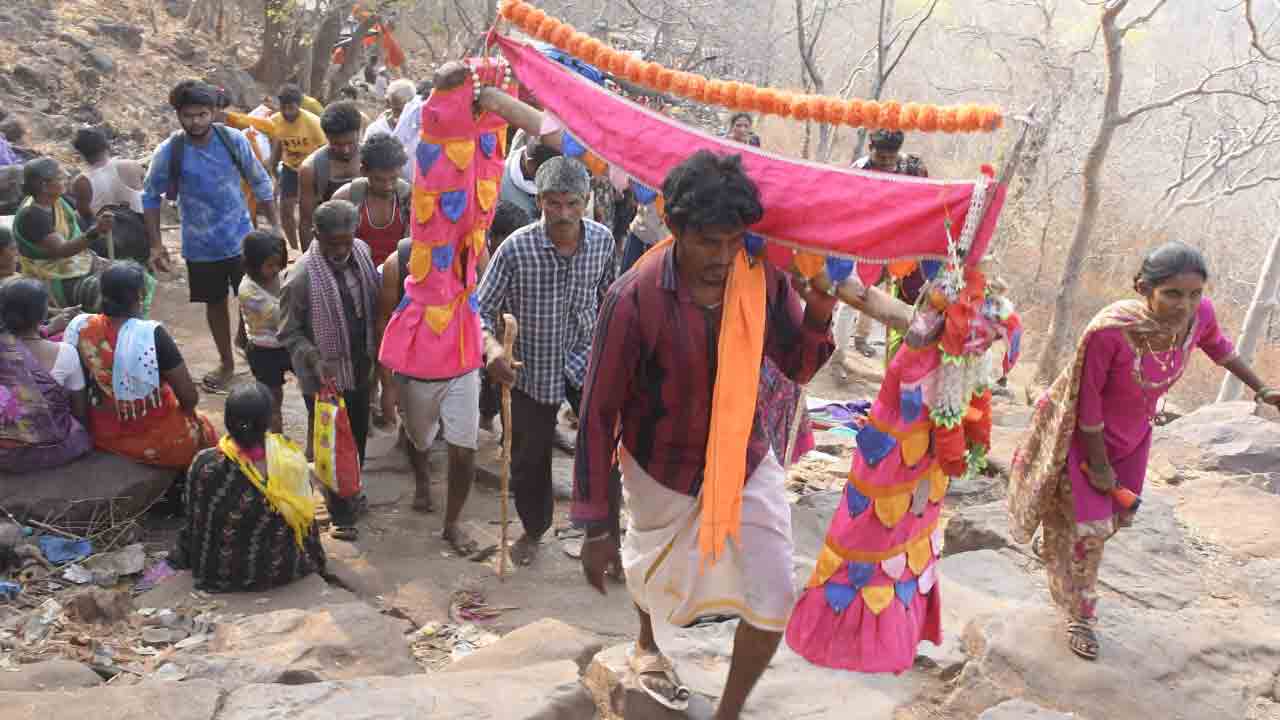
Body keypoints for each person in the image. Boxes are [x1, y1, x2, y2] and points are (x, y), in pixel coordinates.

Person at [573, 151, 837, 716]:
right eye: (708, 243)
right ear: (675, 229)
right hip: (658, 464)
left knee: (773, 594)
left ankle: (729, 711)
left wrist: (817, 313)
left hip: (746, 453)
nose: (722, 258)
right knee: (651, 573)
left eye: (733, 241)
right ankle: (646, 638)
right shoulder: (633, 298)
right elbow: (598, 414)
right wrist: (594, 523)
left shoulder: (761, 278)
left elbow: (795, 364)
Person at [1008, 241, 1280, 661]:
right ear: (1143, 288)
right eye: (1172, 294)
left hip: (1133, 438)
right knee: (1090, 532)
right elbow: (1090, 403)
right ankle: (1079, 615)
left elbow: (1219, 347)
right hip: (1084, 436)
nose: (1185, 305)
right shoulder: (1110, 331)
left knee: (1109, 520)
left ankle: (1060, 535)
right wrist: (1099, 467)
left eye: (1194, 294)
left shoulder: (1198, 318)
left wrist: (1261, 387)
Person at [477, 157, 616, 566]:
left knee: (604, 452)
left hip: (585, 360)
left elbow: (612, 299)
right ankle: (534, 527)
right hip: (530, 369)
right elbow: (479, 311)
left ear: (587, 201)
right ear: (539, 201)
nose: (563, 214)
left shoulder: (604, 242)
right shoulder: (516, 248)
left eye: (572, 204)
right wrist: (493, 350)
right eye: (553, 204)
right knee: (526, 458)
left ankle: (604, 537)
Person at [143, 79, 278, 393]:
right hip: (201, 246)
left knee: (256, 298)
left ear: (214, 112)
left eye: (202, 114)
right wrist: (155, 244)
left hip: (242, 238)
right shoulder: (170, 151)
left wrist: (275, 225)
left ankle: (252, 350)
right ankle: (227, 362)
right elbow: (150, 195)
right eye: (188, 115)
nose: (195, 122)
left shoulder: (232, 140)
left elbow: (259, 180)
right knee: (215, 304)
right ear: (178, 114)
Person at [279, 199, 380, 542]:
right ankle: (341, 513)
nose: (340, 249)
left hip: (360, 366)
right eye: (331, 242)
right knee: (331, 443)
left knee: (359, 433)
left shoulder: (363, 253)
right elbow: (288, 332)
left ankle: (352, 490)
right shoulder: (302, 276)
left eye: (345, 241)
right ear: (315, 235)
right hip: (323, 376)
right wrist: (313, 358)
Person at [63, 262, 217, 468]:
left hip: (104, 434)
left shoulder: (79, 327)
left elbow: (77, 389)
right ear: (140, 296)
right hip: (158, 439)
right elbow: (189, 398)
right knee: (205, 431)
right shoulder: (151, 334)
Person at [179, 381, 326, 592]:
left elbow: (194, 515)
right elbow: (305, 514)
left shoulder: (203, 463)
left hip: (215, 570)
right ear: (268, 421)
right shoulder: (288, 459)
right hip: (273, 571)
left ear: (228, 421)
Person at [834, 129, 931, 375]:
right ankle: (838, 357)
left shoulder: (913, 168)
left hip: (900, 244)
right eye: (881, 157)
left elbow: (926, 200)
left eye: (891, 157)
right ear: (870, 148)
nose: (887, 162)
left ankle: (893, 366)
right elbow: (844, 202)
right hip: (862, 240)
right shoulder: (859, 169)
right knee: (853, 296)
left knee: (894, 300)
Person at [0, 278, 92, 472]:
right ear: (42, 314)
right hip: (53, 447)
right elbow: (80, 408)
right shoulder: (66, 353)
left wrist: (48, 328)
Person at [13, 158, 115, 310]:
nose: (67, 175)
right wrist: (97, 230)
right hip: (49, 273)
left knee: (131, 276)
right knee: (106, 293)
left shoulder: (57, 201)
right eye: (60, 176)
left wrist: (100, 225)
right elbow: (63, 250)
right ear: (44, 186)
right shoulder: (33, 215)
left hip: (75, 261)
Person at [476, 201, 532, 432]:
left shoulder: (525, 254)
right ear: (492, 237)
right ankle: (486, 420)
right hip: (485, 333)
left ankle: (505, 432)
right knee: (488, 383)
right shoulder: (481, 256)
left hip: (512, 333)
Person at [69, 128, 149, 266]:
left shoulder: (81, 182)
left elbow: (86, 216)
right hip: (142, 239)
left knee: (75, 216)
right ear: (107, 145)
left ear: (80, 154)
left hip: (110, 246)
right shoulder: (132, 166)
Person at [238, 230, 291, 433]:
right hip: (264, 351)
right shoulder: (248, 290)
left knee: (309, 390)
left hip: (286, 344)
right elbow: (282, 316)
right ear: (253, 263)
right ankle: (276, 436)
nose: (275, 269)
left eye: (279, 264)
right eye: (270, 265)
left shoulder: (280, 275)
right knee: (272, 397)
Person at [331, 132, 410, 266]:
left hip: (398, 275)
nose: (388, 186)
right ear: (364, 172)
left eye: (393, 178)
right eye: (379, 180)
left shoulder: (408, 199)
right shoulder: (345, 199)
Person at [298, 101, 364, 252]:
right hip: (334, 248)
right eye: (337, 144)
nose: (345, 150)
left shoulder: (373, 158)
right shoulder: (311, 169)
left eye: (350, 142)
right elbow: (307, 222)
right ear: (326, 137)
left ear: (359, 132)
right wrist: (311, 263)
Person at [268, 84, 327, 250]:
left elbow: (324, 149)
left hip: (312, 168)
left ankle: (313, 248)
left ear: (298, 106)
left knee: (308, 212)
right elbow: (278, 143)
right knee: (285, 210)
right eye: (283, 108)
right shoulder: (275, 121)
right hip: (290, 168)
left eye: (291, 108)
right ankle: (294, 249)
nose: (287, 112)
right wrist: (273, 168)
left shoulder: (313, 123)